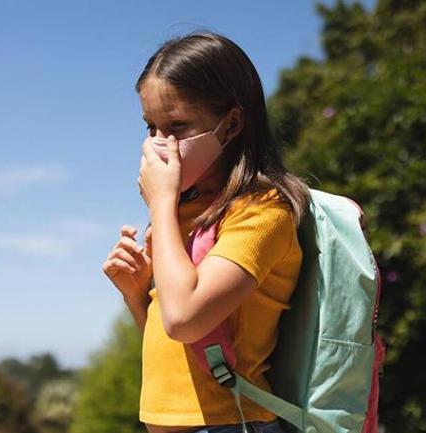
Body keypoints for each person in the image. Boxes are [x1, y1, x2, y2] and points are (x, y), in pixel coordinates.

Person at [102, 31, 311, 433]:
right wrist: (136, 296)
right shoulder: (186, 212)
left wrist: (160, 203)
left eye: (177, 127)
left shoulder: (262, 212)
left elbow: (185, 320)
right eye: (151, 128)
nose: (159, 146)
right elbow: (182, 349)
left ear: (231, 124)